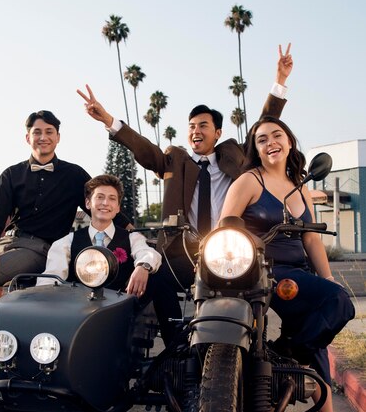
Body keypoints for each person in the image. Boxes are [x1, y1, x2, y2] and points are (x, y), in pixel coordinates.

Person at [77, 44, 293, 320]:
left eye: (203, 126)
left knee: (254, 287)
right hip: (184, 249)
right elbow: (145, 149)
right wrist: (108, 119)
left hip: (231, 247)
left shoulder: (235, 156)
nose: (195, 131)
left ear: (217, 132)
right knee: (156, 281)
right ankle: (175, 346)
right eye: (191, 126)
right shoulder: (175, 160)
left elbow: (265, 124)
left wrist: (280, 82)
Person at [0, 110, 130, 405]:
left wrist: (132, 233)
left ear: (58, 137)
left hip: (41, 249)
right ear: (27, 137)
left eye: (49, 132)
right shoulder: (11, 174)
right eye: (37, 132)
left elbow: (102, 203)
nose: (43, 137)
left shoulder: (74, 175)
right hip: (9, 244)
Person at [218, 115, 355, 412]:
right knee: (320, 329)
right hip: (262, 269)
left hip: (299, 272)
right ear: (256, 149)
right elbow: (226, 225)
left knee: (335, 303)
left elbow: (311, 238)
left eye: (276, 135)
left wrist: (326, 278)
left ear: (290, 141)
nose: (270, 142)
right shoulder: (249, 181)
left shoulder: (300, 184)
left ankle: (291, 353)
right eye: (262, 139)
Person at [37, 174, 178, 345]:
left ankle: (175, 346)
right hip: (79, 310)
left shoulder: (131, 238)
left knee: (160, 273)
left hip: (122, 307)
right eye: (100, 197)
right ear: (88, 203)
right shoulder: (67, 242)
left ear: (118, 207)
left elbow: (148, 253)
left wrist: (143, 266)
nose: (105, 203)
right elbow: (52, 277)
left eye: (112, 199)